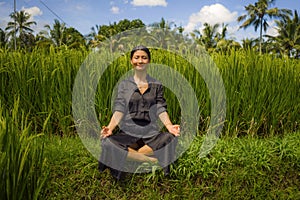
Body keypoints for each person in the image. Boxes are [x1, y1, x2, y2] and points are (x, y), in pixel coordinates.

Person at [98, 45, 180, 180]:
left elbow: (160, 108)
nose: (140, 61)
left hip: (150, 131)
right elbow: (120, 108)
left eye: (144, 58)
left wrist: (170, 126)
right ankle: (151, 160)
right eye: (137, 57)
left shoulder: (156, 84)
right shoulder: (125, 84)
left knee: (171, 139)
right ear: (131, 61)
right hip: (129, 131)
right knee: (107, 142)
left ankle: (129, 156)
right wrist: (110, 128)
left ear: (149, 61)